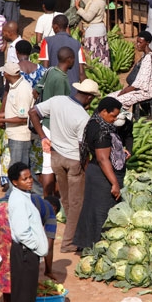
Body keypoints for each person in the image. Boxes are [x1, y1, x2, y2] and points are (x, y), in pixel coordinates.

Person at [29, 79, 100, 252]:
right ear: (89, 98)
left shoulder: (57, 100)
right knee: (77, 203)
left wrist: (43, 137)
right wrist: (86, 166)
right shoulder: (83, 117)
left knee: (66, 199)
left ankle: (72, 232)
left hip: (56, 158)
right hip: (74, 160)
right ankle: (68, 243)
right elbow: (82, 147)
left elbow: (33, 112)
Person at [74, 97, 126, 250]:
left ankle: (87, 244)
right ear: (104, 112)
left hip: (93, 172)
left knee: (91, 209)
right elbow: (103, 159)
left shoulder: (93, 122)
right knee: (102, 211)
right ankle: (98, 246)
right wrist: (114, 183)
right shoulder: (102, 130)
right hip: (102, 176)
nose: (115, 119)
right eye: (113, 115)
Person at [6, 162, 48, 302]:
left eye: (30, 177)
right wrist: (37, 248)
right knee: (22, 293)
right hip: (24, 251)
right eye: (24, 179)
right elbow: (22, 232)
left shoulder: (24, 197)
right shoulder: (17, 201)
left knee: (29, 291)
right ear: (15, 182)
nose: (29, 181)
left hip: (28, 251)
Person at [33, 46, 76, 196]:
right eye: (73, 59)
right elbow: (61, 107)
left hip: (44, 122)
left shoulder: (50, 71)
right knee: (54, 164)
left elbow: (35, 91)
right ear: (69, 60)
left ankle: (48, 197)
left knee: (47, 163)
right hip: (54, 126)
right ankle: (51, 196)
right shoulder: (61, 79)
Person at [0, 62, 34, 181]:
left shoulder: (23, 90)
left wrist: (0, 120)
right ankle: (13, 193)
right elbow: (13, 111)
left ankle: (22, 195)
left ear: (8, 74)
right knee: (14, 168)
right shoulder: (14, 87)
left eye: (4, 72)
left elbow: (23, 118)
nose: (3, 74)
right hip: (13, 134)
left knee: (19, 170)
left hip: (20, 137)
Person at [107, 31, 152, 110]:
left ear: (147, 43)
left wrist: (124, 92)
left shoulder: (149, 58)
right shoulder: (145, 55)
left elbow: (140, 83)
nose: (137, 44)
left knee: (115, 101)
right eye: (137, 42)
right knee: (109, 97)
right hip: (137, 89)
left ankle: (121, 119)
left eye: (140, 42)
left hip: (145, 92)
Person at [39, 14, 86, 86]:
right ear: (67, 27)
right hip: (73, 89)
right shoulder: (78, 44)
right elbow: (81, 72)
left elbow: (45, 68)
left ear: (55, 27)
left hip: (55, 88)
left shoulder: (47, 41)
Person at [74, 0, 110, 66]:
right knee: (99, 56)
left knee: (94, 58)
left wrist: (78, 8)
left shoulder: (98, 1)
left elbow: (88, 17)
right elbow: (85, 0)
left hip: (95, 32)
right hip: (96, 30)